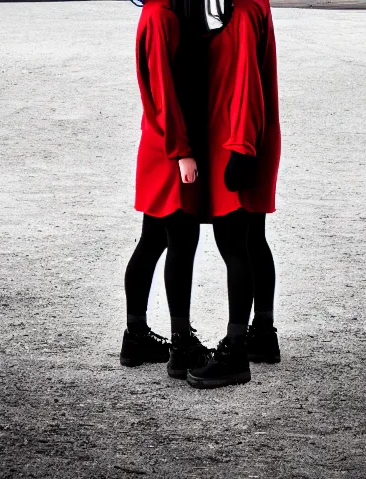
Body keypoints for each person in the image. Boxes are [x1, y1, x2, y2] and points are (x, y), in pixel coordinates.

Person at [187, 0, 281, 388]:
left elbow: (244, 81)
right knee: (252, 238)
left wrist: (241, 148)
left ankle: (236, 349)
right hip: (246, 136)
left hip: (237, 139)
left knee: (234, 242)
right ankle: (261, 333)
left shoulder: (240, 8)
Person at [120, 0, 208, 370]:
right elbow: (164, 90)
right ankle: (181, 342)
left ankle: (136, 337)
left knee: (154, 238)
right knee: (181, 240)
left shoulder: (160, 12)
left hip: (159, 143)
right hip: (168, 147)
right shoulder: (161, 15)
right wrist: (182, 151)